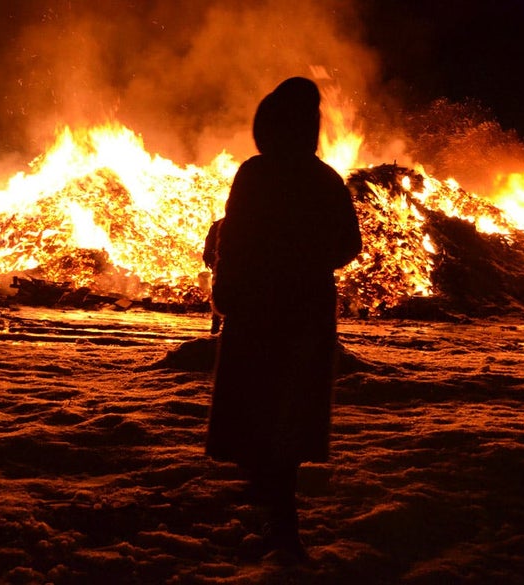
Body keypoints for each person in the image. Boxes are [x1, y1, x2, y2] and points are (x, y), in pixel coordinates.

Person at [206, 77, 362, 559]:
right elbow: (349, 245)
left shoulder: (255, 174)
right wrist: (311, 265)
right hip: (308, 311)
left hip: (258, 309)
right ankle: (274, 504)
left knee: (259, 407)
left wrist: (228, 290)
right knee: (290, 413)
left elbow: (233, 241)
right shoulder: (325, 179)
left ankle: (283, 532)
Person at [202, 217, 223, 334]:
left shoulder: (220, 224)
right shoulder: (221, 224)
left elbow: (208, 245)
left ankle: (216, 322)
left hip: (221, 264)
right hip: (221, 264)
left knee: (219, 290)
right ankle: (216, 322)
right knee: (219, 290)